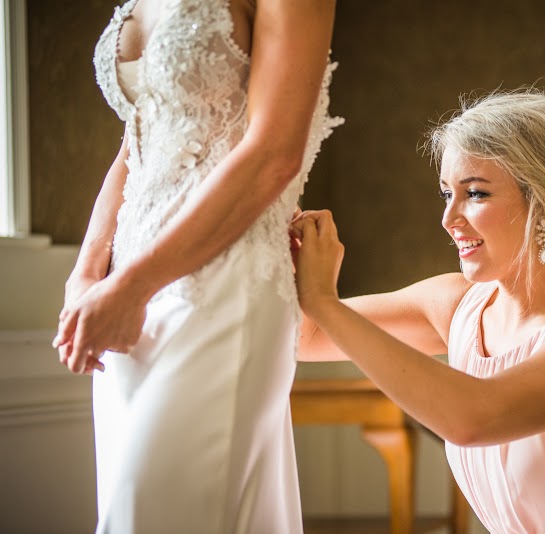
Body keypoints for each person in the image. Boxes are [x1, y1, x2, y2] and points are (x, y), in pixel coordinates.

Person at [292, 89, 545, 533]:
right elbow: (307, 338)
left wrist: (324, 300)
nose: (448, 219)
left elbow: (472, 417)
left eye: (474, 193)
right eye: (445, 194)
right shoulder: (457, 306)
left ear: (544, 204)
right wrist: (283, 241)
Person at [53, 0, 340, 532]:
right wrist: (88, 273)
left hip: (222, 285)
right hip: (125, 298)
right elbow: (138, 144)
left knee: (148, 511)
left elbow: (274, 153)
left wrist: (133, 286)